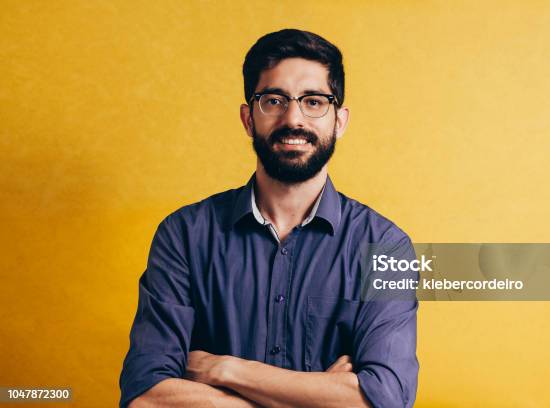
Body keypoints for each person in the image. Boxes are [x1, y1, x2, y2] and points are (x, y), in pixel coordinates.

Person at [119, 28, 419, 408]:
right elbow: (145, 398)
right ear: (248, 118)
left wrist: (226, 370)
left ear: (339, 121)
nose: (293, 118)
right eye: (274, 100)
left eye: (314, 101)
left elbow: (386, 400)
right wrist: (315, 397)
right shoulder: (184, 235)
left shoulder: (386, 247)